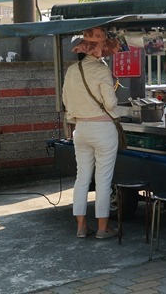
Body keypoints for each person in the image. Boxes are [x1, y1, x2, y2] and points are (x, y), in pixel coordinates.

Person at [62, 27, 122, 239]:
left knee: (82, 178)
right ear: (98, 50)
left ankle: (81, 227)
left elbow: (66, 101)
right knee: (104, 180)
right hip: (103, 129)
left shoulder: (71, 70)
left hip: (81, 128)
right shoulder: (101, 70)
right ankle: (103, 229)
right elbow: (111, 103)